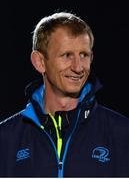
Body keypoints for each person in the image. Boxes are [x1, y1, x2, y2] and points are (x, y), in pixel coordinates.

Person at [0, 11, 129, 177]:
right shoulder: (5, 139)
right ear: (39, 62)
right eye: (67, 55)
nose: (78, 67)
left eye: (84, 55)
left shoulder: (123, 134)